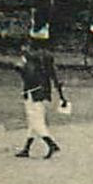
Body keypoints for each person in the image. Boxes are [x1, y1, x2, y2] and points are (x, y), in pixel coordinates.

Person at [15, 26, 67, 159]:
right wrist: (61, 95)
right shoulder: (48, 57)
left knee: (36, 121)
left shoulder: (29, 56)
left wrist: (20, 69)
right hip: (44, 91)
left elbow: (28, 74)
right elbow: (54, 76)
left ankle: (51, 144)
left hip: (32, 91)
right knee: (35, 120)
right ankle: (26, 148)